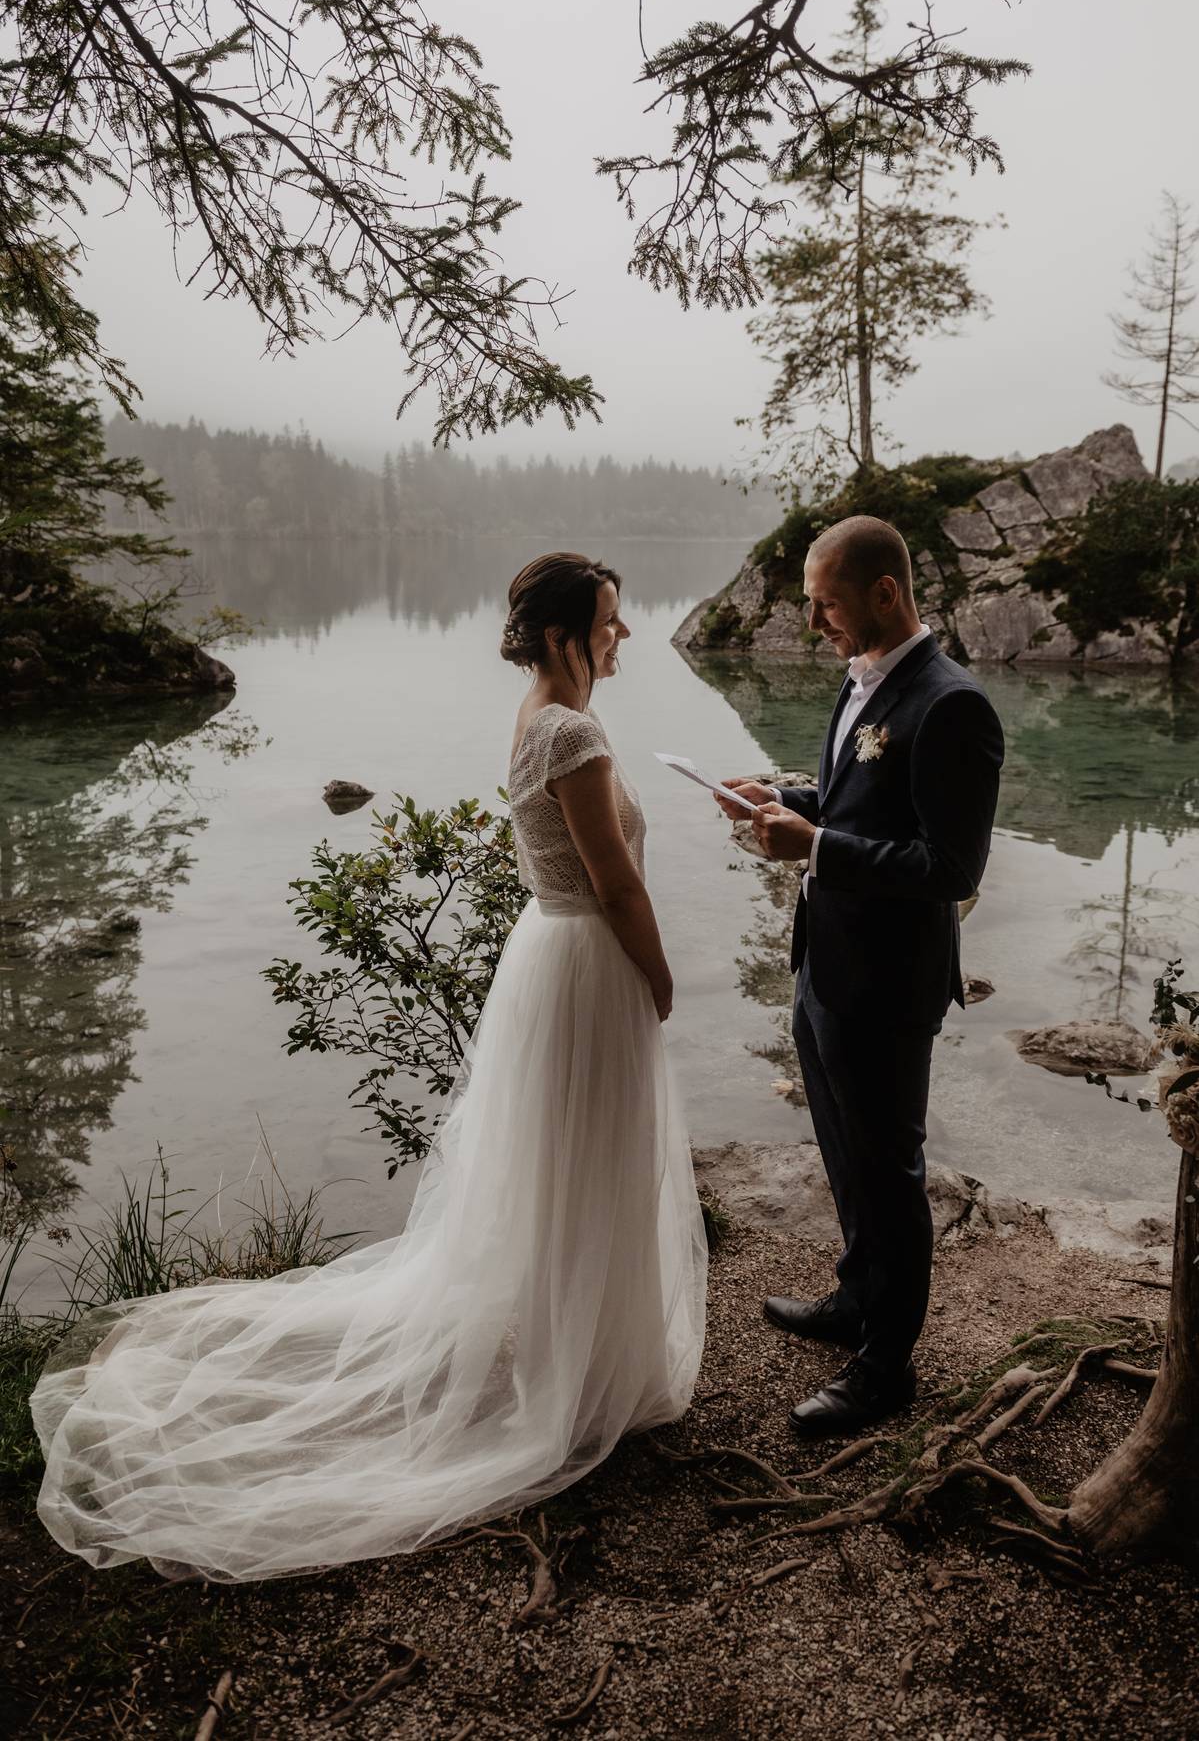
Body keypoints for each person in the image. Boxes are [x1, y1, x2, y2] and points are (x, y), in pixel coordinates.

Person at [30, 551, 707, 1583]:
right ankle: (583, 1380)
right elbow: (615, 886)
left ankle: (577, 1359)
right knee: (592, 1157)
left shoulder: (535, 715)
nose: (624, 637)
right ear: (567, 633)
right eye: (611, 621)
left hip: (547, 953)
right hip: (586, 958)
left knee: (560, 1161)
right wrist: (658, 980)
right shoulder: (572, 732)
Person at [716, 516, 1004, 1438]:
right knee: (843, 1155)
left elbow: (950, 870)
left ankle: (885, 1368)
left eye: (825, 602)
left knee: (888, 1169)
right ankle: (853, 1298)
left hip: (886, 982)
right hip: (822, 966)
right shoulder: (863, 680)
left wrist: (817, 848)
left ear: (885, 593)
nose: (812, 620)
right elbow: (855, 801)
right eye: (808, 601)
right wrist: (786, 801)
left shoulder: (950, 702)